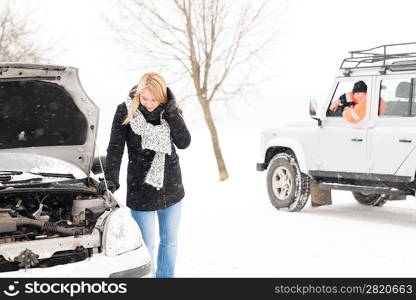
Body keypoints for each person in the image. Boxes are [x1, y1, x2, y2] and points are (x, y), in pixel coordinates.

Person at [98, 72, 191, 278]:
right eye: (144, 98)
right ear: (138, 94)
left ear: (163, 98)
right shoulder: (125, 110)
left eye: (154, 99)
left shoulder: (170, 111)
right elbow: (115, 148)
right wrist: (111, 178)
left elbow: (184, 142)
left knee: (170, 241)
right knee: (146, 245)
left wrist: (171, 113)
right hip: (140, 186)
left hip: (171, 185)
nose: (149, 104)